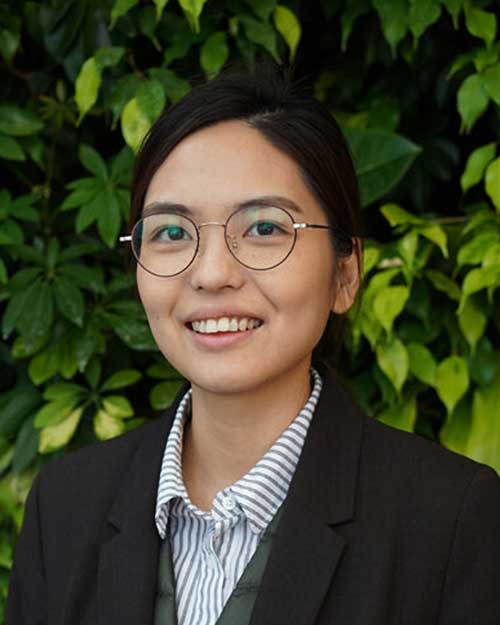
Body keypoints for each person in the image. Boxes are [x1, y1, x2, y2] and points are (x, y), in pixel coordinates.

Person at [6, 65, 500, 625]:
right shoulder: (66, 508)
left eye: (264, 227)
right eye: (171, 232)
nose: (212, 274)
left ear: (346, 272)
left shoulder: (451, 520)